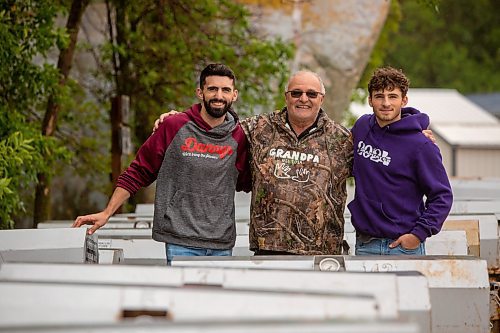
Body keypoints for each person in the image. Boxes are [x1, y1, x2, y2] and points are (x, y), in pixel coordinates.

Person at [154, 68, 437, 256]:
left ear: (321, 98)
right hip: (268, 250)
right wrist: (179, 118)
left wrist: (411, 135)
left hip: (323, 254)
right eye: (297, 93)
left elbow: (380, 161)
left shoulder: (343, 139)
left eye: (311, 94)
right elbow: (217, 125)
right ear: (286, 96)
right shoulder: (258, 128)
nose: (304, 98)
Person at [73, 63, 251, 264]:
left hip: (221, 242)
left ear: (234, 95)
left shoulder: (240, 136)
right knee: (179, 296)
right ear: (200, 92)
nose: (219, 95)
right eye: (212, 89)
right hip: (180, 240)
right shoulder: (174, 126)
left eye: (225, 90)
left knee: (216, 297)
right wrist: (107, 212)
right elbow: (139, 171)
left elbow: (247, 181)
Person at [348, 66, 453, 255]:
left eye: (392, 96)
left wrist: (418, 235)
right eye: (379, 96)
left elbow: (442, 196)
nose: (386, 103)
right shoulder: (362, 127)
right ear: (370, 100)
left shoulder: (421, 145)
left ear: (404, 100)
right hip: (365, 245)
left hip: (402, 247)